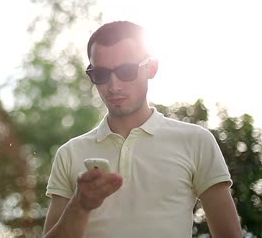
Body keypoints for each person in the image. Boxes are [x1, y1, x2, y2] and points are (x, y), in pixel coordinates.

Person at [42, 21, 243, 238]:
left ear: (151, 68)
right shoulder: (69, 154)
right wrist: (80, 206)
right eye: (101, 74)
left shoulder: (196, 141)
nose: (114, 85)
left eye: (126, 71)